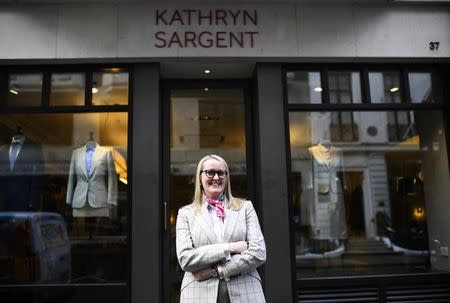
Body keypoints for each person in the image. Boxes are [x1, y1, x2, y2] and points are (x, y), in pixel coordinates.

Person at [176, 154, 266, 303]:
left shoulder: (245, 208)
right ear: (200, 177)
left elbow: (259, 252)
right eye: (210, 172)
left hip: (246, 291)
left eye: (221, 173)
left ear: (226, 177)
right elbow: (186, 259)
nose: (216, 177)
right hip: (198, 293)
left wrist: (216, 271)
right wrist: (230, 248)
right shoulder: (186, 213)